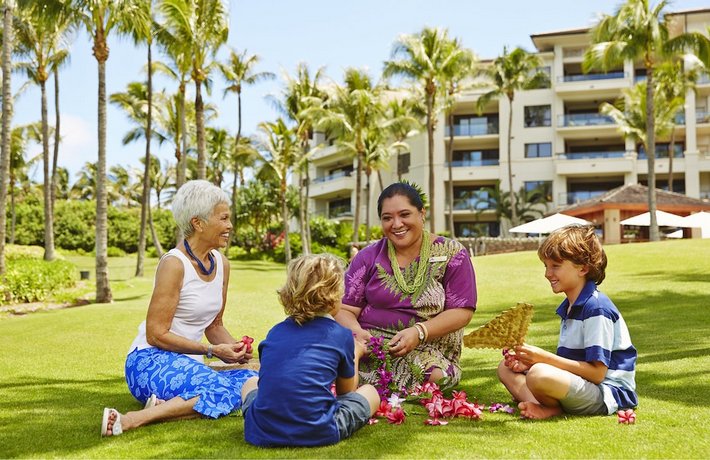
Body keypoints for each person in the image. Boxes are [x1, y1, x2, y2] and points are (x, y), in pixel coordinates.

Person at [101, 180, 258, 436]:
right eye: (223, 218)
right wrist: (210, 350)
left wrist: (234, 350)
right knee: (220, 389)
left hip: (189, 365)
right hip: (149, 361)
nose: (230, 226)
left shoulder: (222, 264)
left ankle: (166, 408)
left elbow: (214, 325)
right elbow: (156, 334)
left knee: (254, 383)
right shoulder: (174, 264)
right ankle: (131, 419)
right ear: (198, 223)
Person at [335, 182, 477, 392]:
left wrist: (420, 331)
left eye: (404, 214)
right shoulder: (368, 256)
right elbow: (345, 309)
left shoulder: (452, 253)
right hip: (370, 347)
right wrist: (357, 333)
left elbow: (462, 312)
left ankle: (365, 387)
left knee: (438, 377)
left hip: (427, 348)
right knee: (327, 364)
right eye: (387, 218)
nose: (396, 224)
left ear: (422, 213)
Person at [498, 224, 637, 420]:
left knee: (539, 374)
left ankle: (551, 408)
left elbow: (597, 374)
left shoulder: (596, 308)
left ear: (583, 268)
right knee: (505, 368)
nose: (547, 273)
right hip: (583, 386)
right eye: (546, 266)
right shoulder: (569, 307)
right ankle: (547, 406)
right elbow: (570, 366)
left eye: (555, 266)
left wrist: (542, 358)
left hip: (607, 393)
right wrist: (526, 365)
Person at [241, 254, 379, 447]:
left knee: (250, 382)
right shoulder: (340, 335)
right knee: (370, 392)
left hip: (261, 430)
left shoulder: (275, 332)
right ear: (334, 298)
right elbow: (345, 392)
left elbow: (270, 381)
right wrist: (355, 353)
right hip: (318, 431)